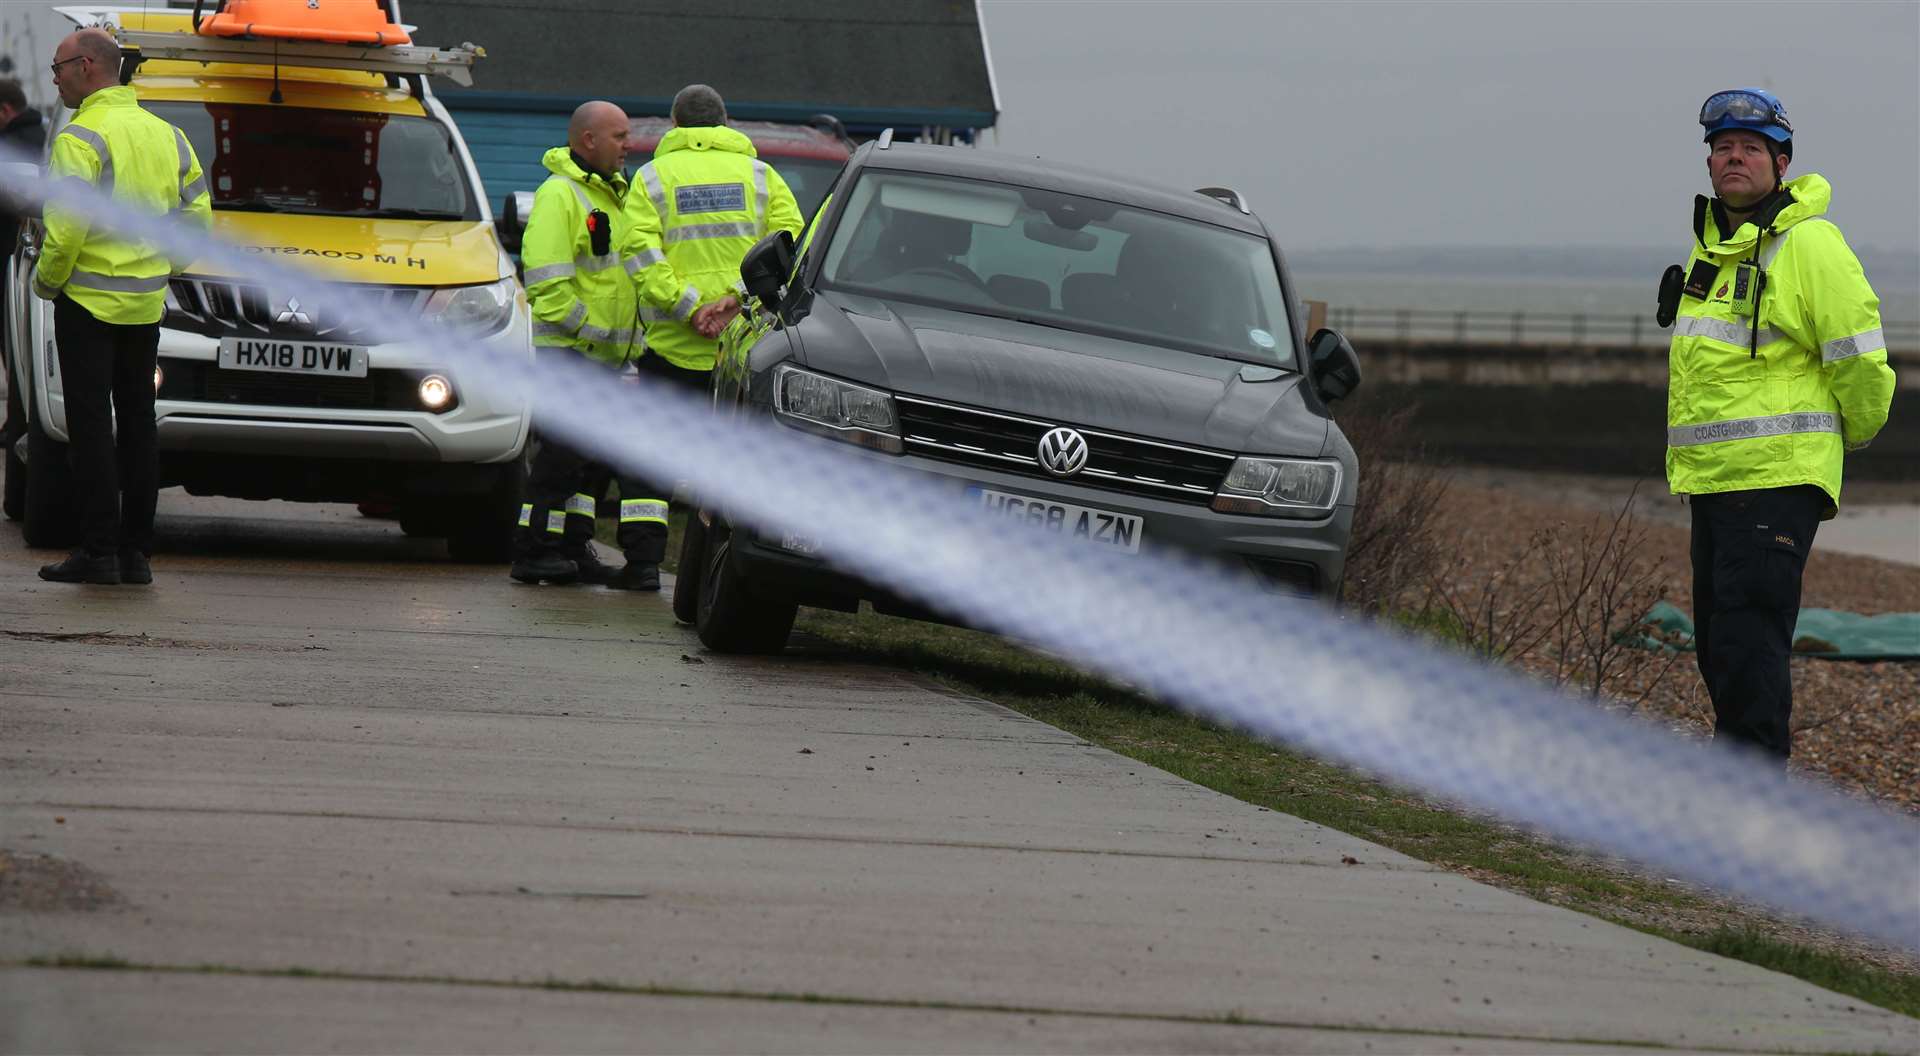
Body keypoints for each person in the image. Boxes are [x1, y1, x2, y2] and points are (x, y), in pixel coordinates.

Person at [1666, 88, 1895, 761]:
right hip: (1716, 485)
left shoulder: (1809, 243)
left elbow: (1862, 360)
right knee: (1720, 650)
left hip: (1775, 486)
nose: (1733, 158)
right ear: (1709, 165)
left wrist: (1838, 443)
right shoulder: (1717, 250)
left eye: (1750, 149)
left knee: (1748, 649)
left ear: (1782, 163)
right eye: (1722, 148)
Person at [32, 29, 210, 585]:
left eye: (58, 66)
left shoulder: (80, 138)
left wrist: (45, 283)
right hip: (145, 308)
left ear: (87, 66)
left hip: (86, 305)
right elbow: (199, 218)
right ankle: (137, 555)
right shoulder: (170, 136)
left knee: (90, 430)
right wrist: (164, 269)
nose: (55, 77)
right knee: (138, 427)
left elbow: (64, 231)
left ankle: (98, 551)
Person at [620, 84, 803, 589]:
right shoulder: (762, 177)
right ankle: (715, 577)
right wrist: (734, 301)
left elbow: (639, 253)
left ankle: (641, 566)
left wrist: (688, 307)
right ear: (726, 122)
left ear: (675, 124)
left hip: (672, 348)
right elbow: (789, 247)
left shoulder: (653, 179)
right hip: (741, 353)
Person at [509, 100, 647, 588]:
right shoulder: (560, 195)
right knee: (560, 460)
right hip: (570, 354)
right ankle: (531, 551)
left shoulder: (613, 195)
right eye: (620, 136)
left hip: (602, 360)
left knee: (585, 466)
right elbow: (546, 285)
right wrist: (595, 333)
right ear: (588, 140)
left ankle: (571, 547)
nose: (629, 145)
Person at [0, 77, 48, 460]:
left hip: (13, 263)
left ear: (4, 110)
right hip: (15, 260)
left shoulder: (21, 143)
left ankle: (16, 425)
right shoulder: (37, 135)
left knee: (15, 352)